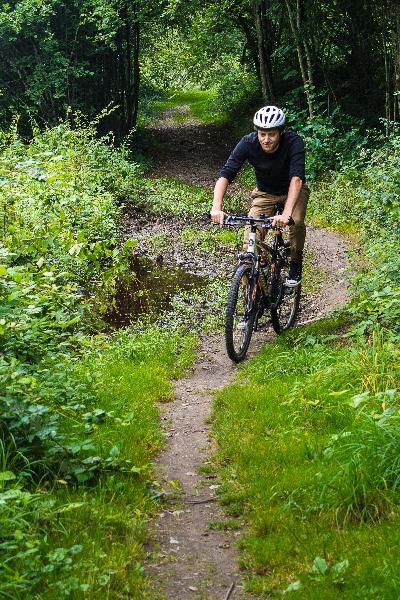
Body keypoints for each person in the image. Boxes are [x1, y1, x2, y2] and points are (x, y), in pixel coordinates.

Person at [210, 105, 309, 286]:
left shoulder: (293, 142)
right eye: (262, 134)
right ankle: (254, 297)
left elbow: (297, 180)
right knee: (249, 245)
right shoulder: (248, 143)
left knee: (296, 221)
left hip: (292, 191)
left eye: (271, 134)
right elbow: (225, 175)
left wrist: (286, 215)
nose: (266, 139)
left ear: (280, 132)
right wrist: (216, 207)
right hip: (265, 193)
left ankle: (295, 263)